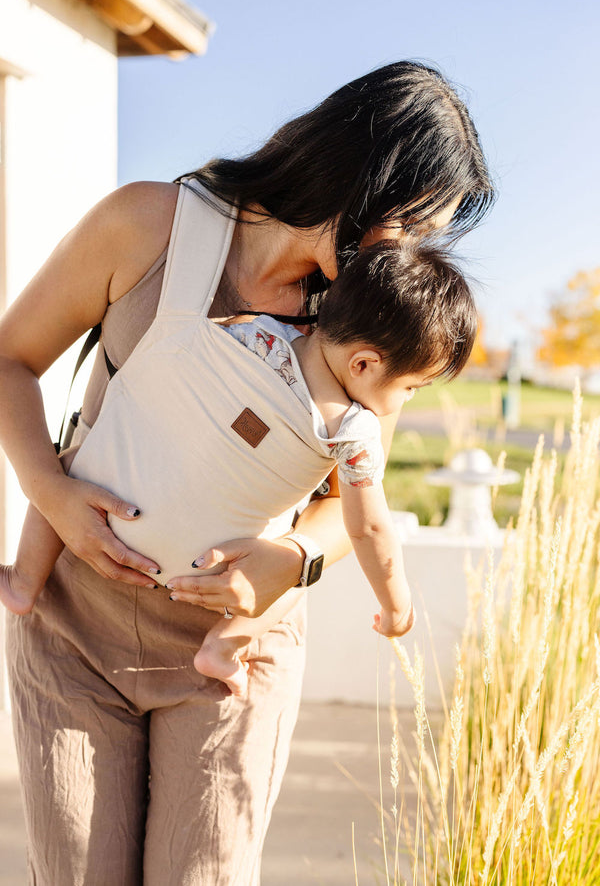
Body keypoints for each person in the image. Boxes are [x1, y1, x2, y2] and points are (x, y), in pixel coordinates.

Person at [0, 60, 494, 884]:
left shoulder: (371, 330)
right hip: (73, 639)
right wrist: (51, 494)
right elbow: (11, 360)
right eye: (411, 225)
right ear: (362, 181)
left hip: (232, 659)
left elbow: (354, 504)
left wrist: (290, 563)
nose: (410, 256)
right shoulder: (148, 225)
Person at [0, 240, 477, 698]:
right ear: (364, 364)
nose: (406, 401)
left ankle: (23, 583)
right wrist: (397, 605)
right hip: (204, 569)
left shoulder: (253, 333)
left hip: (108, 514)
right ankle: (223, 645)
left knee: (66, 468)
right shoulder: (353, 433)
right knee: (296, 575)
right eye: (412, 387)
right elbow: (369, 528)